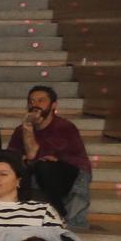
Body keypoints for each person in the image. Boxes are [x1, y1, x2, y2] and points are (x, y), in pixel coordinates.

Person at [10, 85, 90, 228]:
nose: (35, 105)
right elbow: (12, 157)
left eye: (41, 101)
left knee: (43, 167)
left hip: (71, 173)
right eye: (31, 101)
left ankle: (60, 214)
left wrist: (28, 128)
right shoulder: (19, 131)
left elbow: (32, 154)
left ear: (53, 105)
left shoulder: (64, 127)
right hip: (42, 173)